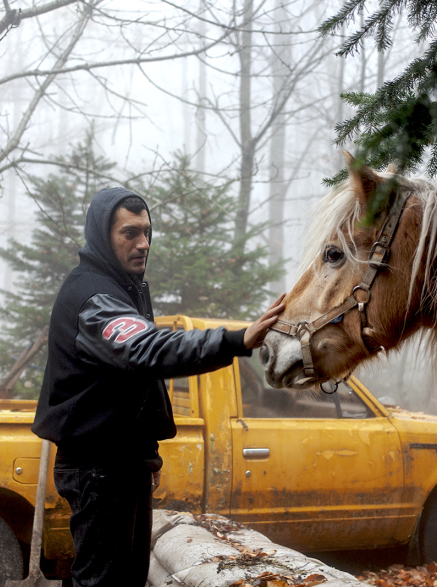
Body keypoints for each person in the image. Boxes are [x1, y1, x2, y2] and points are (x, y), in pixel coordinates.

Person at [32, 187, 285, 587]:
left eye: (147, 232)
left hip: (120, 463)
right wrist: (237, 340)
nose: (143, 244)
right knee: (101, 582)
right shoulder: (95, 297)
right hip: (99, 468)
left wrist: (145, 457)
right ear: (102, 235)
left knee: (125, 577)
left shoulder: (122, 289)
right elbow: (149, 349)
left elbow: (133, 384)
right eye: (129, 233)